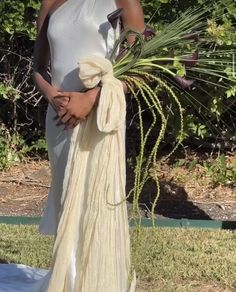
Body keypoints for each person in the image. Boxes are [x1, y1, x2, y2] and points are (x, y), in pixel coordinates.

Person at [0, 0, 146, 291]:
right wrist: (55, 98)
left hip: (100, 114)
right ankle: (68, 281)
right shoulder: (50, 3)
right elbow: (38, 68)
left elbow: (138, 66)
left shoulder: (123, 1)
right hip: (60, 119)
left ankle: (98, 281)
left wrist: (91, 99)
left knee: (97, 196)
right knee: (67, 196)